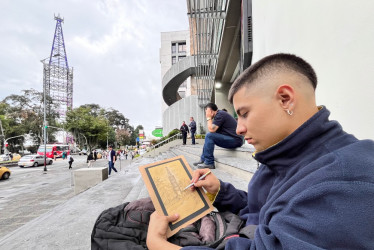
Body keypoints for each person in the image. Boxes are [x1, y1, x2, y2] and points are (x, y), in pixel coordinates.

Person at [146, 53, 374, 249]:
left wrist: (160, 246)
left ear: (285, 99)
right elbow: (265, 208)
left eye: (244, 113)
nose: (239, 128)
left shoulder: (344, 181)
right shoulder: (283, 152)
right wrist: (220, 191)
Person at [193, 103, 243, 169]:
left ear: (211, 111)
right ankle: (203, 159)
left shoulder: (220, 114)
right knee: (209, 136)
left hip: (236, 140)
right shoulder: (218, 116)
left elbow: (211, 129)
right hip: (230, 138)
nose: (206, 114)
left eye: (207, 112)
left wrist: (208, 118)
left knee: (209, 135)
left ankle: (209, 162)